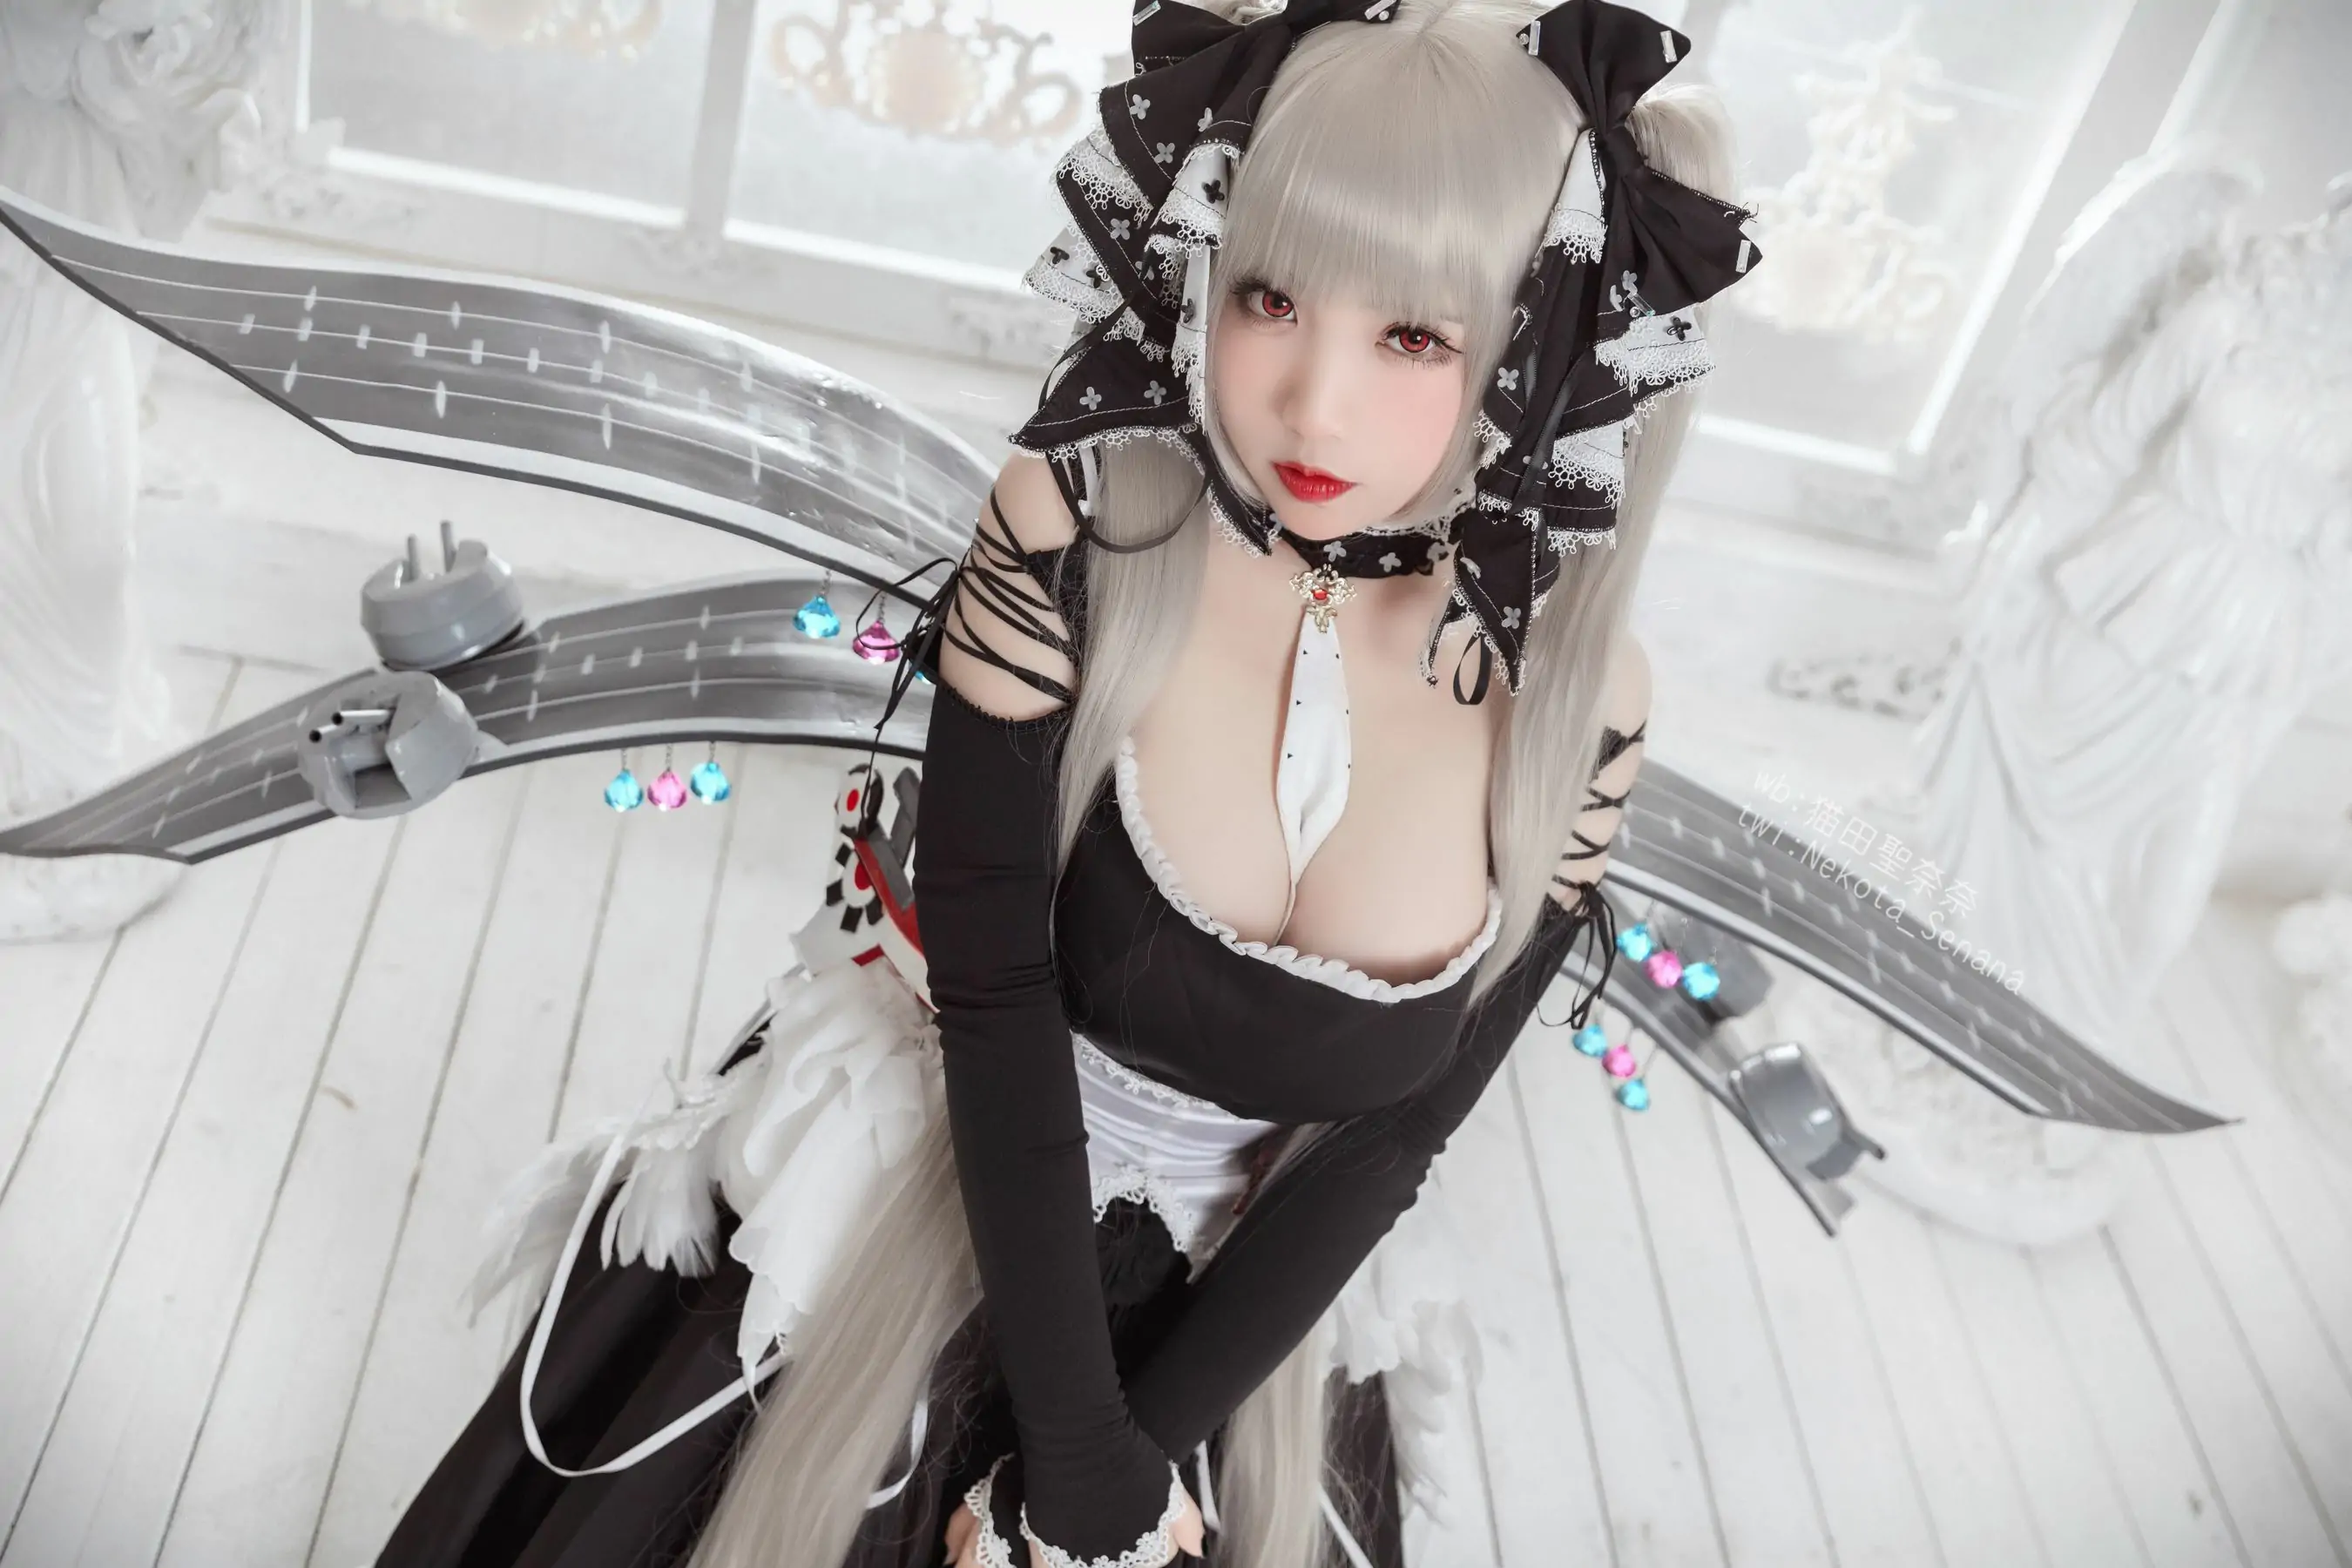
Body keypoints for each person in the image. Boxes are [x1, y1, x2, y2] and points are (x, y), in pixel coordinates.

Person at [377, 3, 1756, 1565]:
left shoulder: (1579, 697)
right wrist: (1080, 1469)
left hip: (1237, 1326)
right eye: (1270, 297)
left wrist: (1125, 1472)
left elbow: (1393, 1142)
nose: (1314, 404)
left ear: (1538, 343)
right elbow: (997, 992)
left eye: (1415, 338)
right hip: (949, 1188)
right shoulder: (1082, 521)